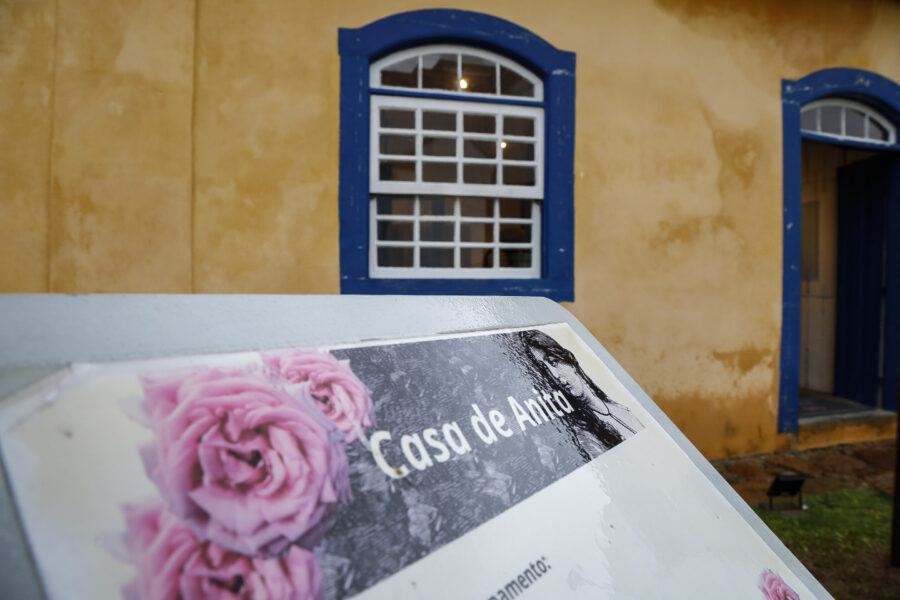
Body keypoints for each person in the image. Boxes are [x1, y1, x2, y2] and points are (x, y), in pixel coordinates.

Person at [507, 329, 643, 460]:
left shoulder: (618, 403)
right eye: (545, 369)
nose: (555, 375)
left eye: (553, 362)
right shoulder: (584, 435)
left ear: (569, 361)